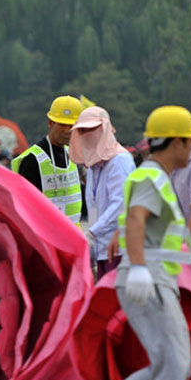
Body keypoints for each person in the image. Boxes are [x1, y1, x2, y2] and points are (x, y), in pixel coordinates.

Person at [86, 106, 191, 380]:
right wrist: (137, 268)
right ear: (177, 141)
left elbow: (138, 224)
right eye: (190, 143)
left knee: (174, 362)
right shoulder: (151, 177)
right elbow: (136, 219)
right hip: (148, 279)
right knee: (174, 361)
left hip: (155, 276)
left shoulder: (153, 176)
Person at [69, 107, 135, 278]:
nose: (86, 134)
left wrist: (93, 232)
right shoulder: (93, 165)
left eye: (92, 129)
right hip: (101, 250)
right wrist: (91, 244)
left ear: (105, 129)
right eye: (82, 130)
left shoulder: (119, 161)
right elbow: (93, 207)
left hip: (119, 248)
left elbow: (120, 203)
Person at [12, 95, 83, 224]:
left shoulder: (71, 154)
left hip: (73, 236)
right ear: (50, 123)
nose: (67, 131)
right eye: (62, 125)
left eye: (72, 126)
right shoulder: (33, 159)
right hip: (46, 238)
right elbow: (25, 207)